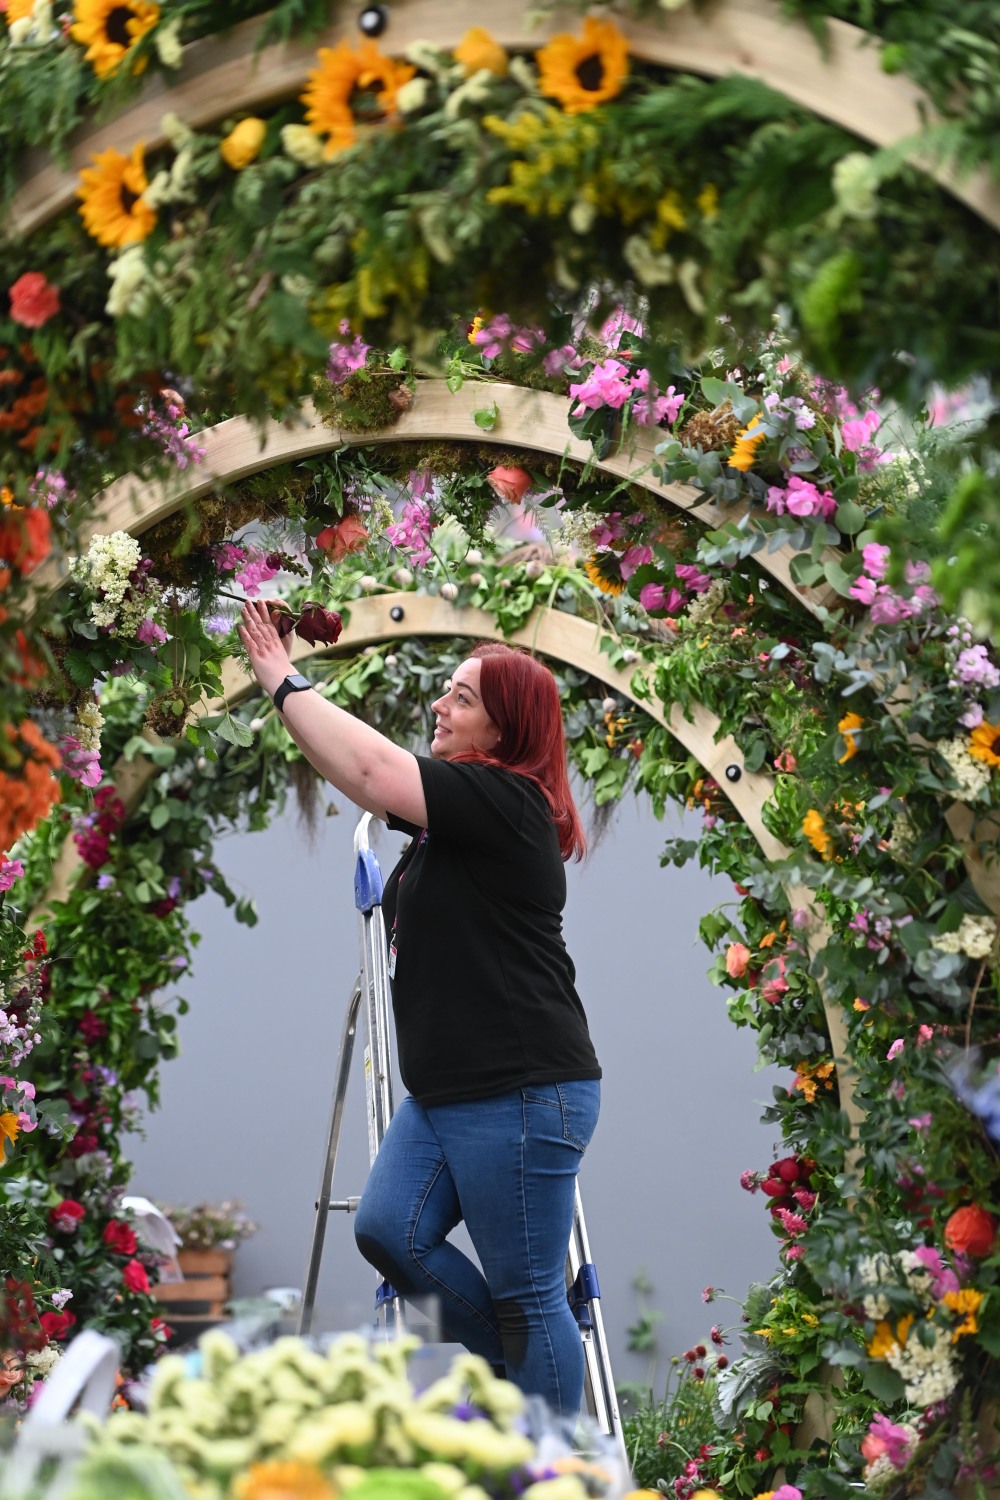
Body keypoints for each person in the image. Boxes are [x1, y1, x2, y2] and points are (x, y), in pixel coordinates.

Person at [238, 600, 602, 1417]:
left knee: (527, 1293)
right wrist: (292, 700)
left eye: (462, 698)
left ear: (506, 731)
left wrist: (281, 680)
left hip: (519, 1087)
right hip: (447, 1095)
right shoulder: (458, 821)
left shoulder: (506, 803)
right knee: (388, 1231)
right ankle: (512, 1380)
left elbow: (370, 771)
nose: (440, 705)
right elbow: (353, 773)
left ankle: (549, 1466)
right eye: (446, 691)